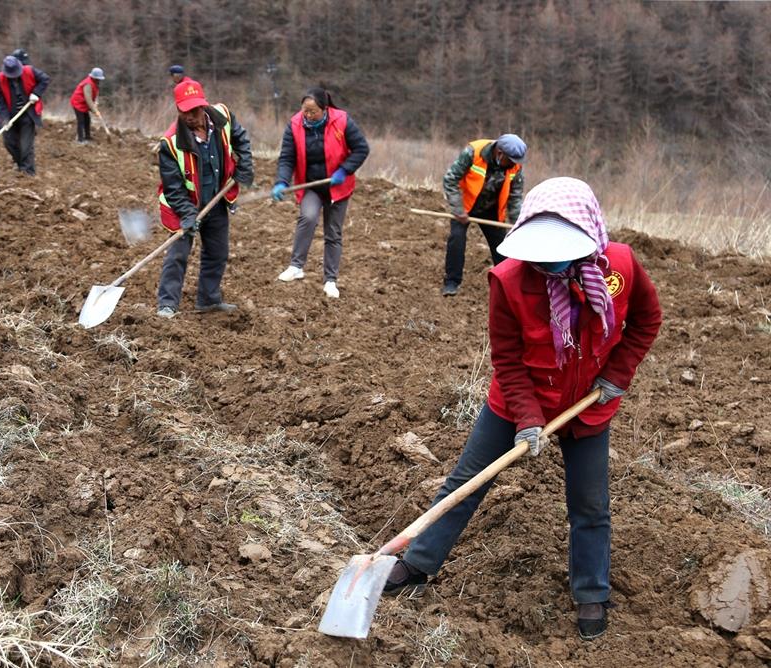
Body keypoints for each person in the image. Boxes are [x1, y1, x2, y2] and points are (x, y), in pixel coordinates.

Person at [383, 177, 662, 641]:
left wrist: (618, 373)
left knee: (590, 503)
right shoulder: (509, 280)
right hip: (518, 400)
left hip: (588, 405)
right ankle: (417, 562)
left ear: (589, 234)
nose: (548, 262)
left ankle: (591, 591)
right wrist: (528, 419)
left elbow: (647, 320)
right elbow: (508, 360)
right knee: (467, 482)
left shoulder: (621, 266)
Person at [156, 79, 254, 318]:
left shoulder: (223, 117)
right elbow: (173, 187)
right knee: (178, 254)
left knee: (217, 252)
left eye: (195, 110)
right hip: (184, 206)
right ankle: (167, 305)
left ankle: (209, 300)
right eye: (185, 111)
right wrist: (188, 214)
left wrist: (244, 166)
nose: (190, 116)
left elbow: (241, 139)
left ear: (203, 105)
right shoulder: (171, 143)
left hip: (216, 200)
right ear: (178, 109)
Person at [272, 87, 369, 299]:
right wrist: (281, 181)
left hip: (337, 187)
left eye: (313, 111)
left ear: (325, 109)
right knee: (307, 218)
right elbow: (287, 157)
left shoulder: (341, 121)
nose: (307, 115)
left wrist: (345, 169)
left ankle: (330, 280)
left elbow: (362, 148)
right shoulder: (295, 125)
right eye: (304, 110)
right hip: (312, 185)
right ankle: (296, 266)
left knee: (333, 233)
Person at [441, 134, 527, 296]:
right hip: (465, 205)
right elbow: (450, 179)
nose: (513, 164)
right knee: (457, 239)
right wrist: (458, 209)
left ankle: (508, 285)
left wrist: (517, 223)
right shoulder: (473, 152)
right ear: (500, 153)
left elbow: (515, 197)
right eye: (510, 161)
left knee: (502, 247)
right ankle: (452, 282)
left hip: (491, 209)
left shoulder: (515, 166)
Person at [0, 55, 50, 176]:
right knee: (9, 143)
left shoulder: (30, 71)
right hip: (10, 115)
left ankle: (28, 172)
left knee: (26, 145)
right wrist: (5, 120)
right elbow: (0, 103)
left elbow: (45, 79)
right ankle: (21, 165)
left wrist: (36, 93)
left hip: (28, 114)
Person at [70, 67, 105, 143]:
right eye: (98, 78)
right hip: (78, 103)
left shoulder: (95, 83)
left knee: (87, 120)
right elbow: (88, 99)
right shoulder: (88, 84)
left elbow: (96, 95)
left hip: (84, 104)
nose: (99, 80)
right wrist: (95, 111)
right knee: (81, 121)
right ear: (94, 77)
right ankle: (80, 140)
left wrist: (96, 103)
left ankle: (88, 137)